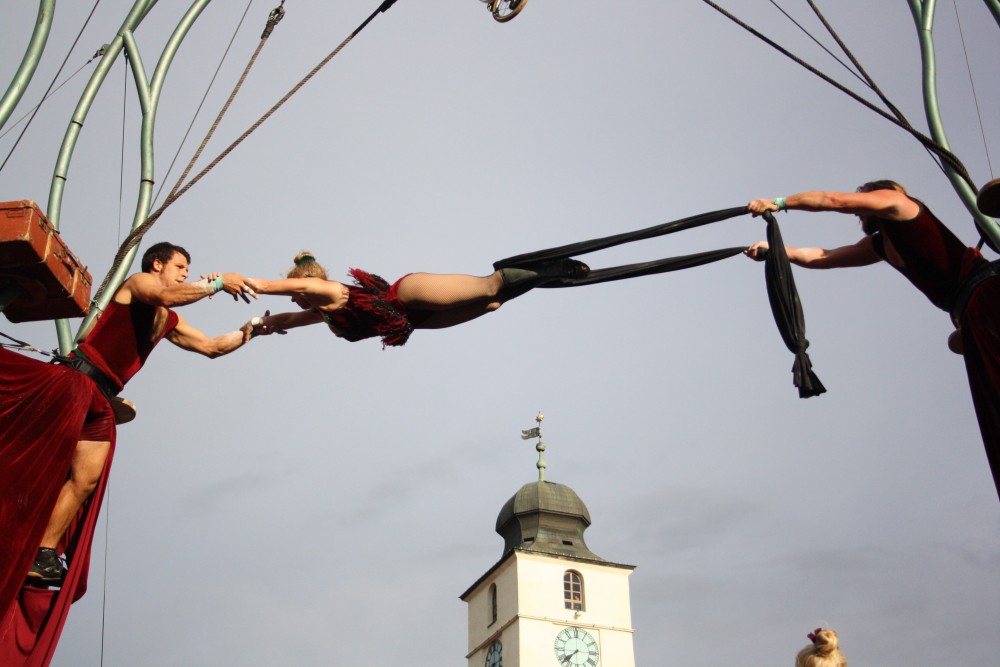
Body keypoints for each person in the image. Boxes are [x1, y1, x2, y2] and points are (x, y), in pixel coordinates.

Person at [1, 242, 259, 666]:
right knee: (48, 467)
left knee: (85, 481)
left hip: (102, 400)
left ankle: (43, 552)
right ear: (157, 264)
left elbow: (211, 347)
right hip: (76, 383)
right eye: (179, 266)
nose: (183, 273)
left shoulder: (168, 319)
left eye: (187, 269)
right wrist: (216, 283)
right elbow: (164, 293)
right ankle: (26, 533)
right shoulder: (138, 285)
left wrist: (250, 332)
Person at [744, 181, 1000, 500]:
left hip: (987, 293)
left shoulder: (900, 205)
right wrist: (777, 252)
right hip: (971, 311)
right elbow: (824, 256)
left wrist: (779, 202)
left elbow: (833, 199)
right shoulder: (879, 246)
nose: (859, 212)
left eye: (864, 199)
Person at [243, 252, 589, 346]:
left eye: (296, 293)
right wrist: (260, 326)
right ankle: (538, 277)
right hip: (415, 322)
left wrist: (233, 283)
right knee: (492, 303)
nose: (294, 302)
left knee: (487, 288)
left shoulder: (329, 292)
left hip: (407, 295)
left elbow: (277, 288)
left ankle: (554, 268)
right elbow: (285, 320)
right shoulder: (327, 314)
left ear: (303, 286)